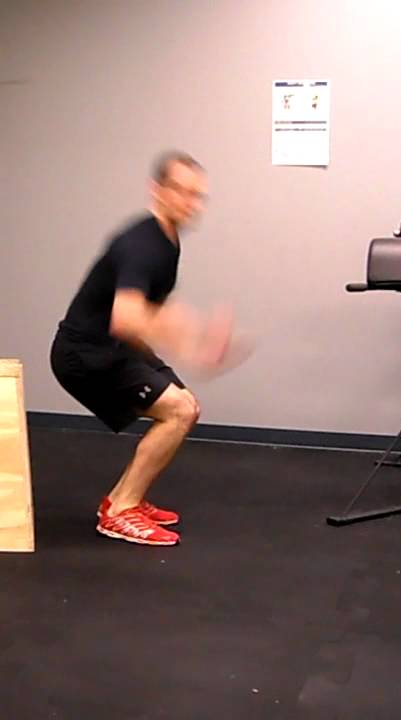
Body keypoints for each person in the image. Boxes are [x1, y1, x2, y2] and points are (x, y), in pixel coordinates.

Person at [49, 150, 231, 546]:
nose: (190, 203)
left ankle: (122, 497)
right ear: (157, 190)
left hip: (112, 347)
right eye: (181, 191)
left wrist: (189, 341)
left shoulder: (168, 242)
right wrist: (187, 340)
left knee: (187, 406)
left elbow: (146, 314)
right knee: (178, 412)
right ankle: (119, 510)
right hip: (85, 355)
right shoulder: (142, 245)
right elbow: (128, 319)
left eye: (197, 195)